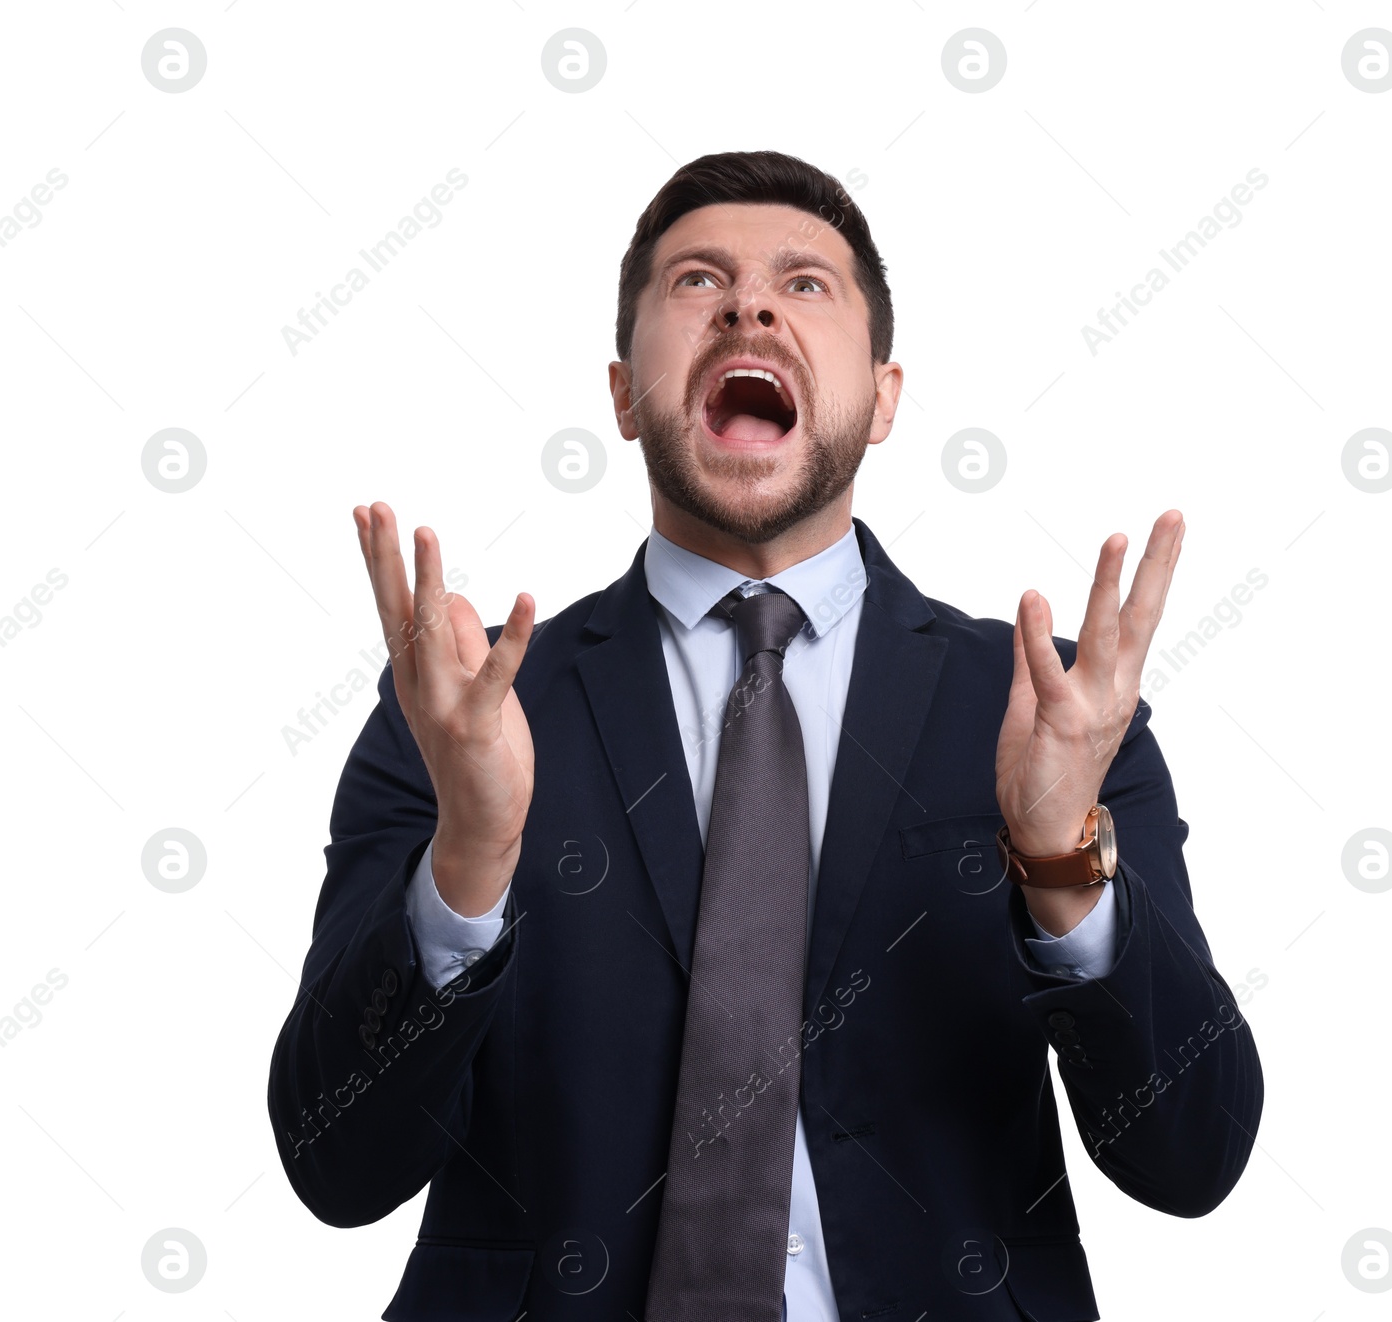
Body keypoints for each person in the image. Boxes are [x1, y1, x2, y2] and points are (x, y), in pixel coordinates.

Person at [267, 149, 1264, 1322]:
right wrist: (469, 863)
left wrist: (1055, 862)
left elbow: (1189, 1156)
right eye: (697, 282)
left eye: (805, 284)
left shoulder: (1050, 711)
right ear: (625, 392)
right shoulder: (463, 707)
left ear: (883, 397)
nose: (748, 304)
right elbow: (340, 1166)